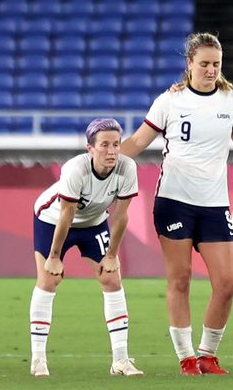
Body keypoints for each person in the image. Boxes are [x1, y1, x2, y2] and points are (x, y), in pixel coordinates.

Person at [118, 32, 233, 375]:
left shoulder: (231, 100)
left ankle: (207, 353)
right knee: (181, 279)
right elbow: (139, 141)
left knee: (228, 283)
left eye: (216, 64)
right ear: (189, 64)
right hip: (174, 201)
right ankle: (187, 357)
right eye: (203, 63)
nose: (210, 70)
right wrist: (102, 161)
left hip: (215, 204)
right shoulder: (169, 102)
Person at [29, 118, 144, 378]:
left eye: (116, 144)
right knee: (48, 281)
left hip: (94, 222)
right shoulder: (75, 169)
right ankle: (38, 359)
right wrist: (55, 257)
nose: (112, 151)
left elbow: (122, 215)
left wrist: (112, 254)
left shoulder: (127, 167)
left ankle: (121, 361)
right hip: (53, 219)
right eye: (104, 145)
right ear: (90, 148)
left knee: (112, 279)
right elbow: (66, 215)